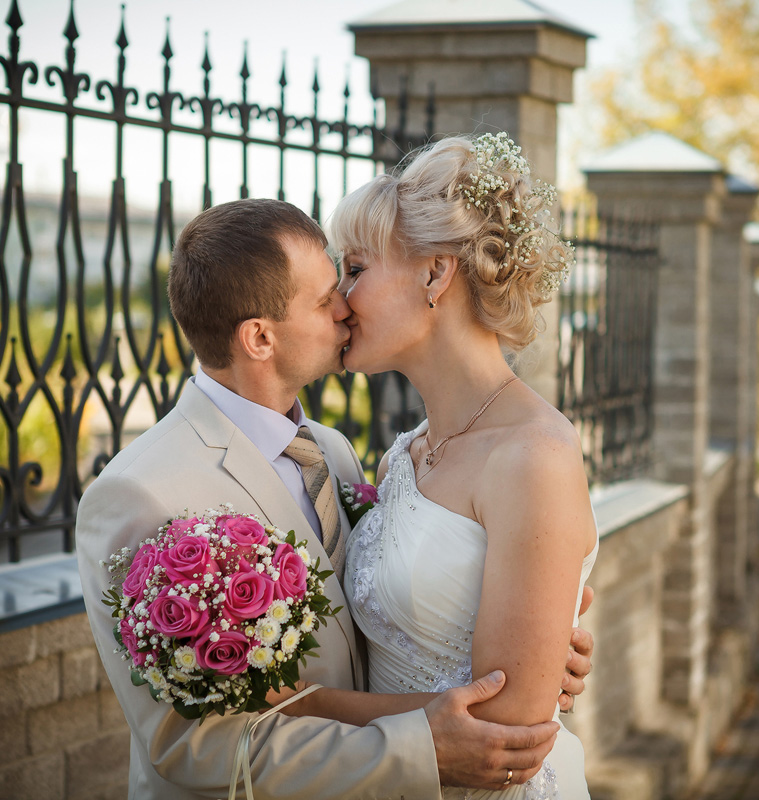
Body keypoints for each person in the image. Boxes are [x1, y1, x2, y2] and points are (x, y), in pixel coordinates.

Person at [73, 198, 594, 799]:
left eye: (347, 277)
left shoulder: (333, 453)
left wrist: (541, 638)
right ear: (260, 337)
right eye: (325, 299)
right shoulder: (137, 492)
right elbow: (187, 745)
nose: (347, 306)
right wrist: (421, 740)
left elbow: (384, 611)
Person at [274, 133, 597, 799]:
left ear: (434, 273)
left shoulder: (533, 454)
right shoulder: (407, 454)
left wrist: (303, 704)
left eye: (356, 269)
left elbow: (503, 738)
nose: (340, 301)